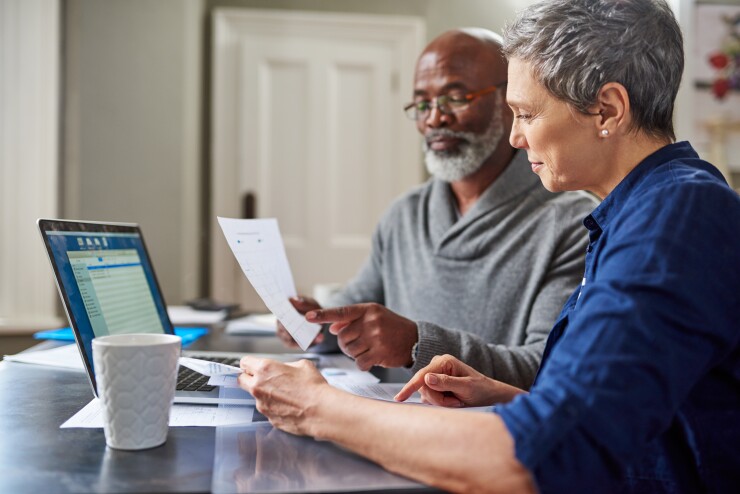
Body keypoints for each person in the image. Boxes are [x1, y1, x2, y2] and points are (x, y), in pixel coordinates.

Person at [239, 0, 740, 492]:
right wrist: (507, 395)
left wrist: (318, 407)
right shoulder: (636, 213)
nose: (517, 137)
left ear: (607, 109)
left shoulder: (674, 218)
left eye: (524, 113)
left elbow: (547, 455)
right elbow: (619, 410)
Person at [278, 28, 596, 389]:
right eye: (423, 104)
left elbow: (547, 364)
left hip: (487, 436)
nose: (434, 119)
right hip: (387, 422)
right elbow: (355, 314)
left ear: (510, 102)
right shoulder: (405, 215)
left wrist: (417, 344)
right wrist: (316, 323)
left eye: (455, 98)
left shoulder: (572, 223)